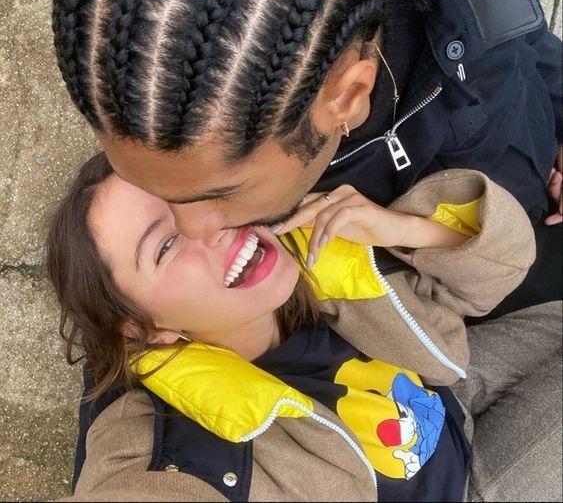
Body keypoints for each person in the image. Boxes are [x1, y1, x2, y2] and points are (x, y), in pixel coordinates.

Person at [51, 0, 562, 316]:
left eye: (220, 194)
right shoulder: (260, 249)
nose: (193, 230)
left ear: (347, 96)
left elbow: (527, 40)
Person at [46, 152, 561, 501]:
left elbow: (494, 275)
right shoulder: (157, 441)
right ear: (141, 326)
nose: (210, 227)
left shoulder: (319, 253)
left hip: (452, 399)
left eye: (197, 200)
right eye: (164, 245)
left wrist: (405, 227)